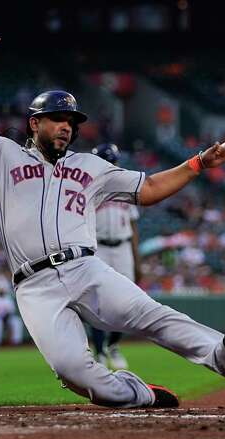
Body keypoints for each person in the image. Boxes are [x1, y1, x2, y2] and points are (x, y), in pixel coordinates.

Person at [0, 17, 225, 409]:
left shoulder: (91, 167)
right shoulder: (2, 155)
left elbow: (150, 188)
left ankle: (224, 356)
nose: (66, 127)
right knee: (77, 374)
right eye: (57, 119)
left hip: (86, 268)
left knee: (151, 315)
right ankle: (139, 393)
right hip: (34, 285)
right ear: (34, 123)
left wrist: (197, 164)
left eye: (71, 121)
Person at [89, 143, 141, 370]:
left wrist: (137, 259)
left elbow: (133, 225)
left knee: (126, 301)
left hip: (123, 248)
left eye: (114, 161)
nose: (112, 165)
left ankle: (114, 345)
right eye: (107, 161)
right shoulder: (89, 188)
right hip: (98, 247)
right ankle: (99, 351)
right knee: (96, 302)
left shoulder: (126, 187)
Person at [0, 275, 23, 346]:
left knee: (17, 321)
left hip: (8, 317)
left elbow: (11, 310)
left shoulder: (8, 297)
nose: (1, 290)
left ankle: (16, 342)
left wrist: (7, 316)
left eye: (2, 288)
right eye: (0, 288)